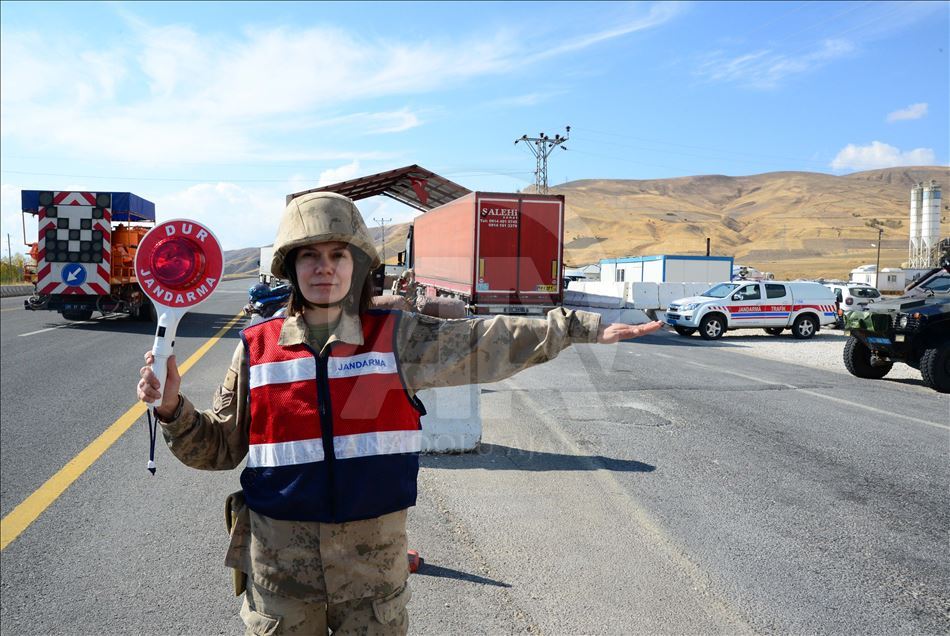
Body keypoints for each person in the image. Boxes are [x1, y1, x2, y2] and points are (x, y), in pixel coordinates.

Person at [136, 192, 663, 635]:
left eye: (339, 255)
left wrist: (576, 327)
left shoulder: (397, 339)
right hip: (281, 584)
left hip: (371, 581)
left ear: (357, 265)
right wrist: (171, 407)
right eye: (310, 255)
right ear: (291, 268)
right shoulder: (256, 348)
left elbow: (487, 340)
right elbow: (220, 449)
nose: (325, 267)